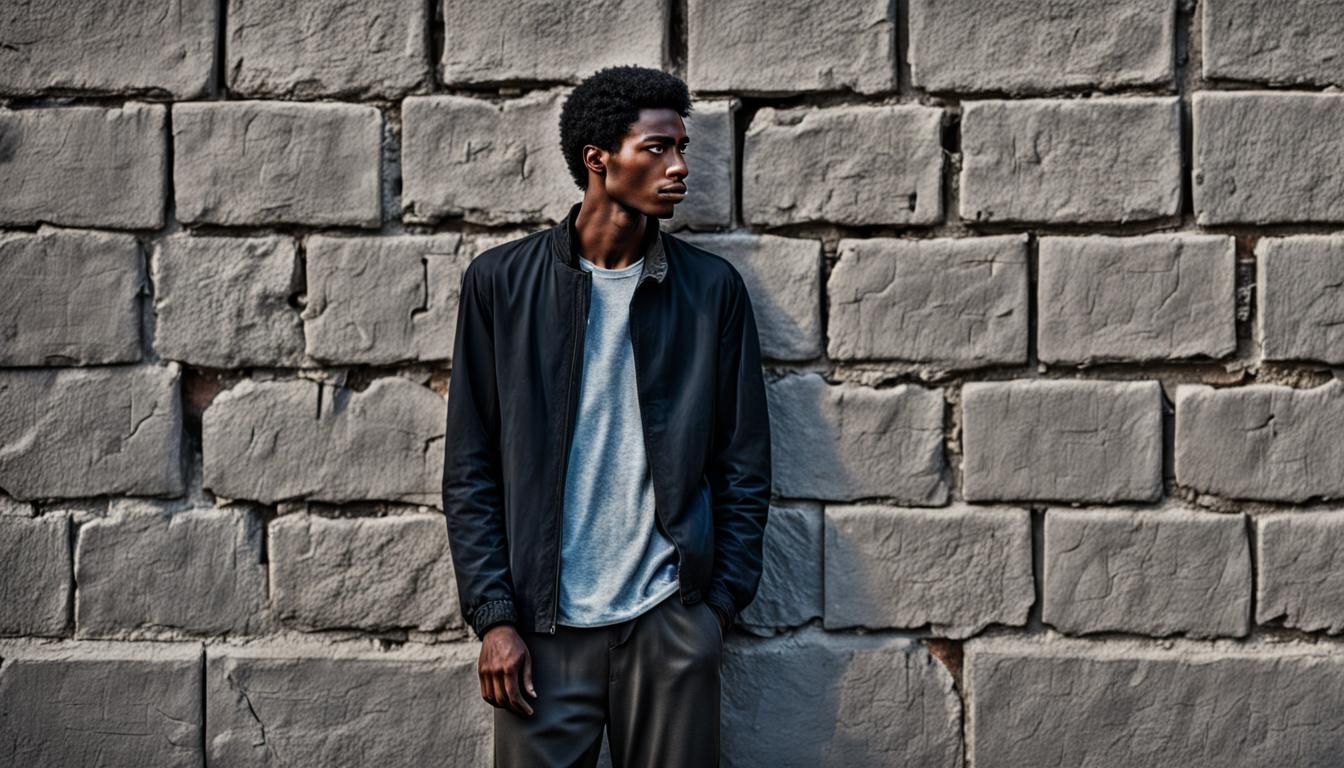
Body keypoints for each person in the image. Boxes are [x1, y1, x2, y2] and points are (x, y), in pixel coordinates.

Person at [443, 64, 772, 767]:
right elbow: (470, 469)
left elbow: (744, 465)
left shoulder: (712, 291)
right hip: (540, 631)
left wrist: (713, 615)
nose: (680, 166)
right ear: (599, 160)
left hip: (668, 623)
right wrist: (494, 619)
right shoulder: (500, 284)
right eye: (658, 148)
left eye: (682, 147)